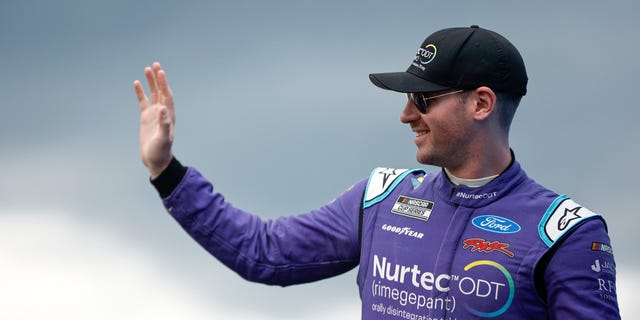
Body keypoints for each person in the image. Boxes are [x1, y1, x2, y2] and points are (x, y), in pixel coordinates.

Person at [134, 25, 620, 319]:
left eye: (423, 98)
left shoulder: (566, 234)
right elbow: (265, 253)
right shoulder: (381, 199)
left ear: (481, 103)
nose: (406, 114)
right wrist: (166, 171)